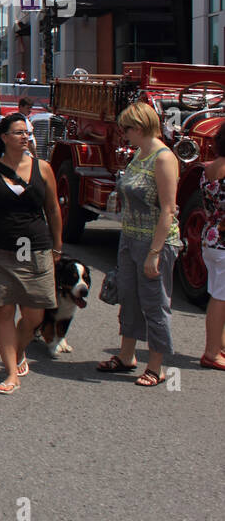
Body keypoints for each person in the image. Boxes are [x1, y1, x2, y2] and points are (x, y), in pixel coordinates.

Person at [0, 114, 63, 394]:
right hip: (0, 249)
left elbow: (54, 209)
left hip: (36, 247)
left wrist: (58, 245)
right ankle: (11, 371)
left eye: (28, 132)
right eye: (19, 132)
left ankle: (19, 349)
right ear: (4, 137)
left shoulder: (43, 168)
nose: (25, 137)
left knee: (35, 314)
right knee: (4, 310)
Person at [97, 102, 181, 387]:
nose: (124, 134)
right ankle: (126, 356)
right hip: (130, 236)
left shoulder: (163, 158)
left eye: (127, 128)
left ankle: (156, 367)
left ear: (141, 126)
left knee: (155, 303)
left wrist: (154, 254)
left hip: (154, 240)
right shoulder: (139, 155)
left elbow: (169, 209)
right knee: (129, 298)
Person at [200, 121, 225, 371]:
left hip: (211, 235)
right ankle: (211, 352)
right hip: (223, 242)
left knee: (218, 293)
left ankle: (219, 345)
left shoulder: (208, 168)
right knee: (221, 296)